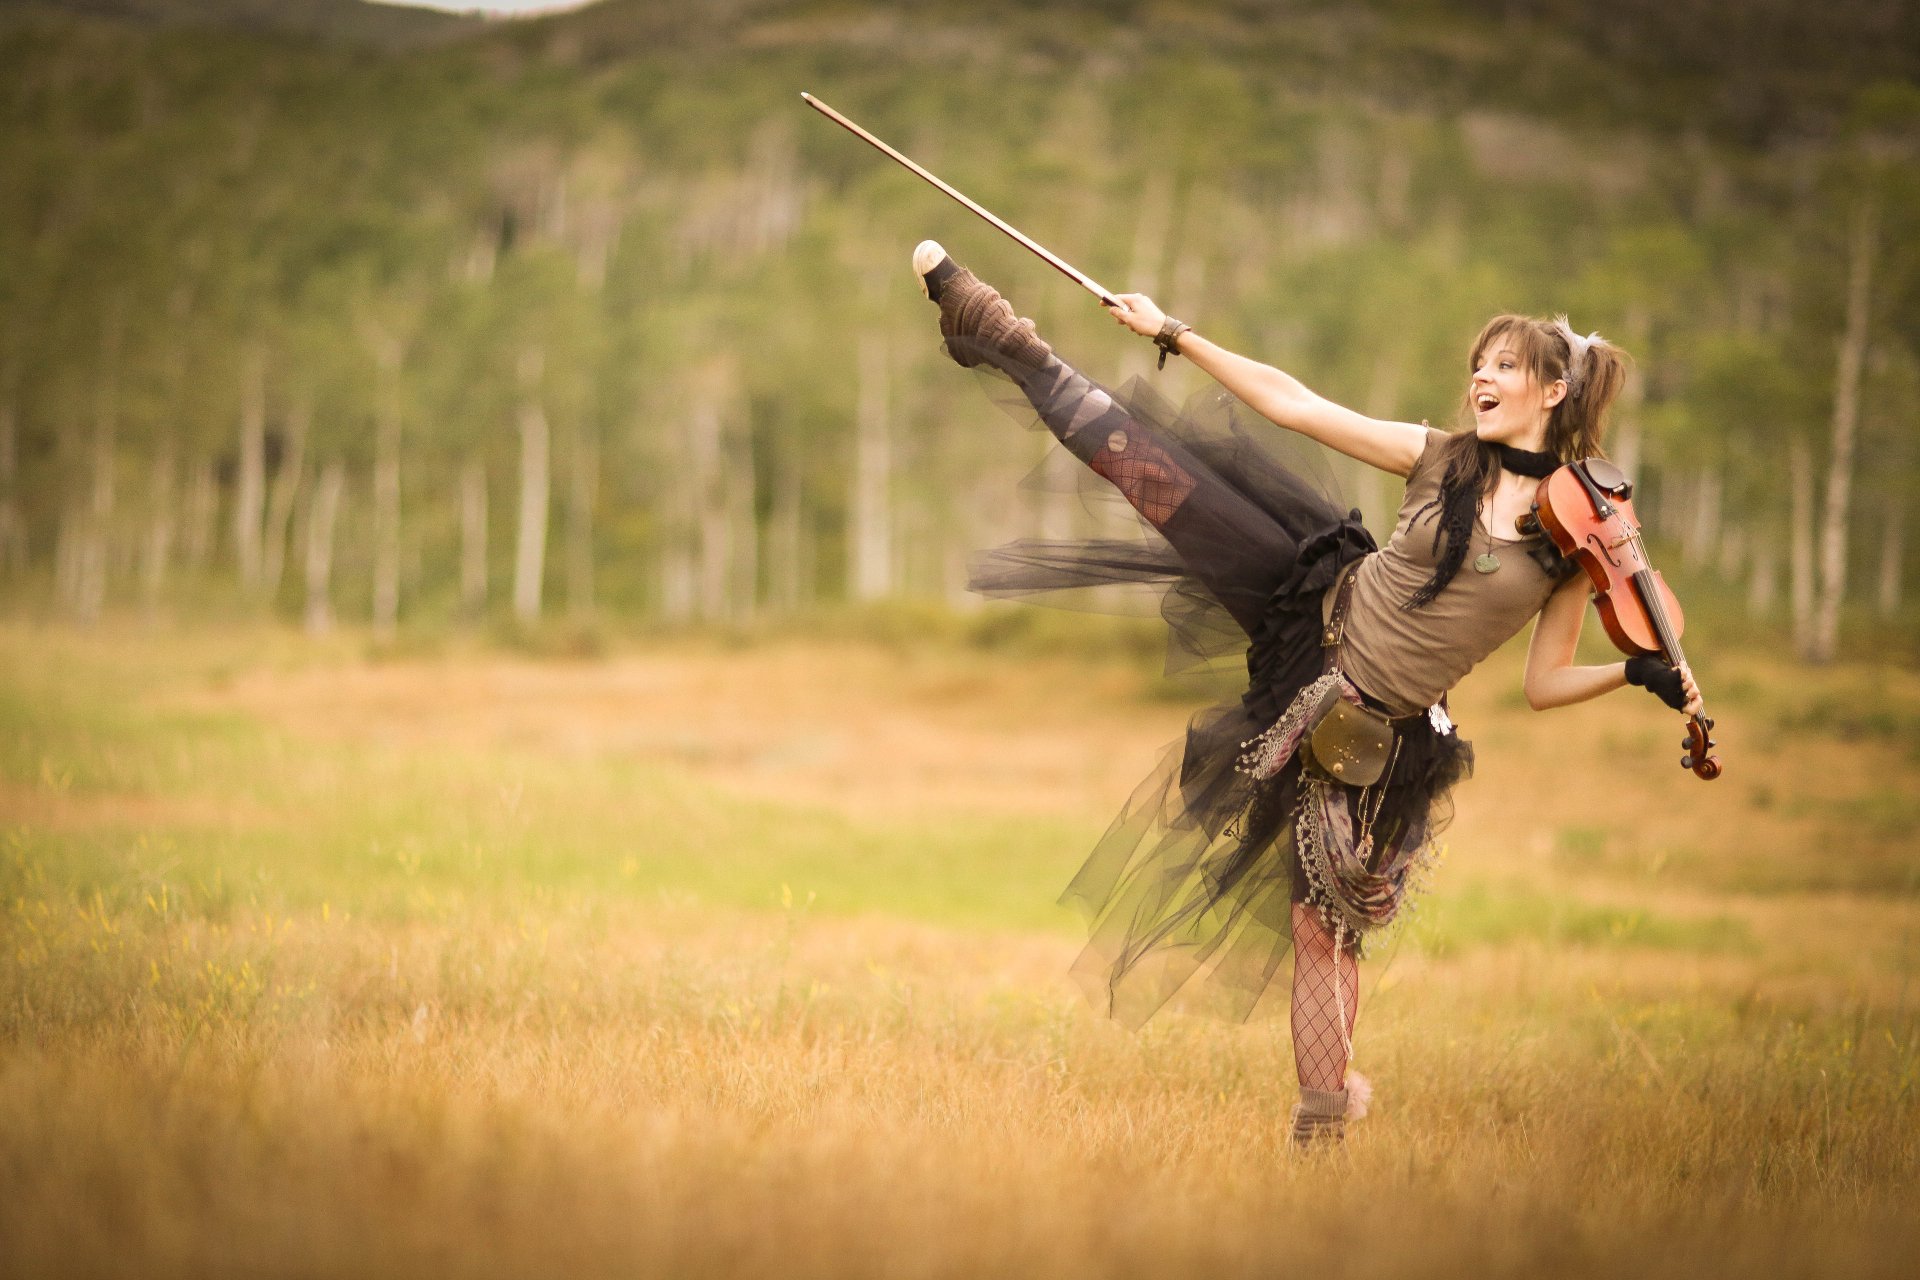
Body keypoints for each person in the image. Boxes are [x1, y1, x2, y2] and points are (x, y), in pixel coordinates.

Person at [909, 239, 1703, 1149]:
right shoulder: (1439, 457)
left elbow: (1543, 684)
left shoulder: (1570, 550)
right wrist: (1175, 332)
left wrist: (1634, 671)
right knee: (1159, 481)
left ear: (1552, 393)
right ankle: (1009, 340)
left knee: (1323, 930)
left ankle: (1321, 1122)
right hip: (1311, 614)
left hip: (1377, 731)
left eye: (1505, 367)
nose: (1481, 377)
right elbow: (1296, 404)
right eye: (1478, 364)